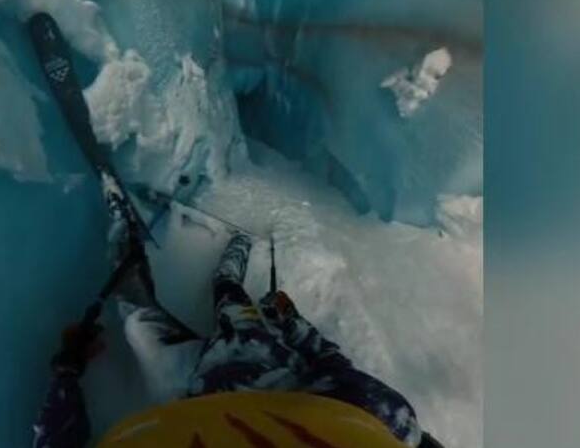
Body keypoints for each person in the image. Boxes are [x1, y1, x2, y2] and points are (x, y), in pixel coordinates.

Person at [33, 176, 445, 448]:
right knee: (158, 314)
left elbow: (330, 363)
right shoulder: (387, 425)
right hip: (240, 367)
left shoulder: (389, 424)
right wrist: (290, 321)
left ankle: (217, 256)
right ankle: (227, 257)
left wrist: (290, 322)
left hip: (236, 364)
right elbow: (331, 364)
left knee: (187, 308)